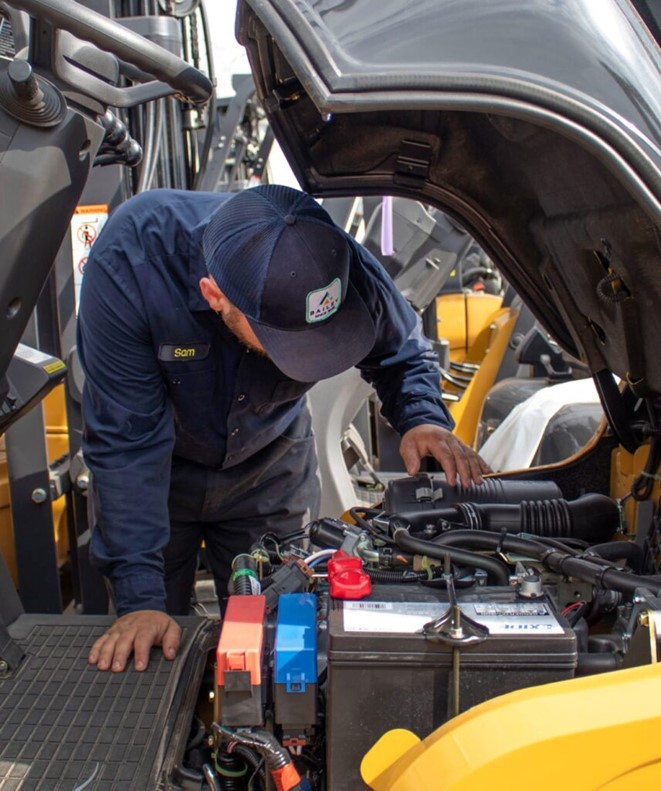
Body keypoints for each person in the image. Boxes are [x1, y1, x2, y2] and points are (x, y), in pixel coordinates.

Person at [77, 184, 489, 673]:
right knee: (154, 642)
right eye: (291, 342)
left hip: (272, 466)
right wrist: (139, 597)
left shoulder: (328, 255)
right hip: (159, 480)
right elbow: (127, 443)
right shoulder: (136, 259)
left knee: (283, 649)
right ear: (214, 295)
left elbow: (400, 350)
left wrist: (422, 418)